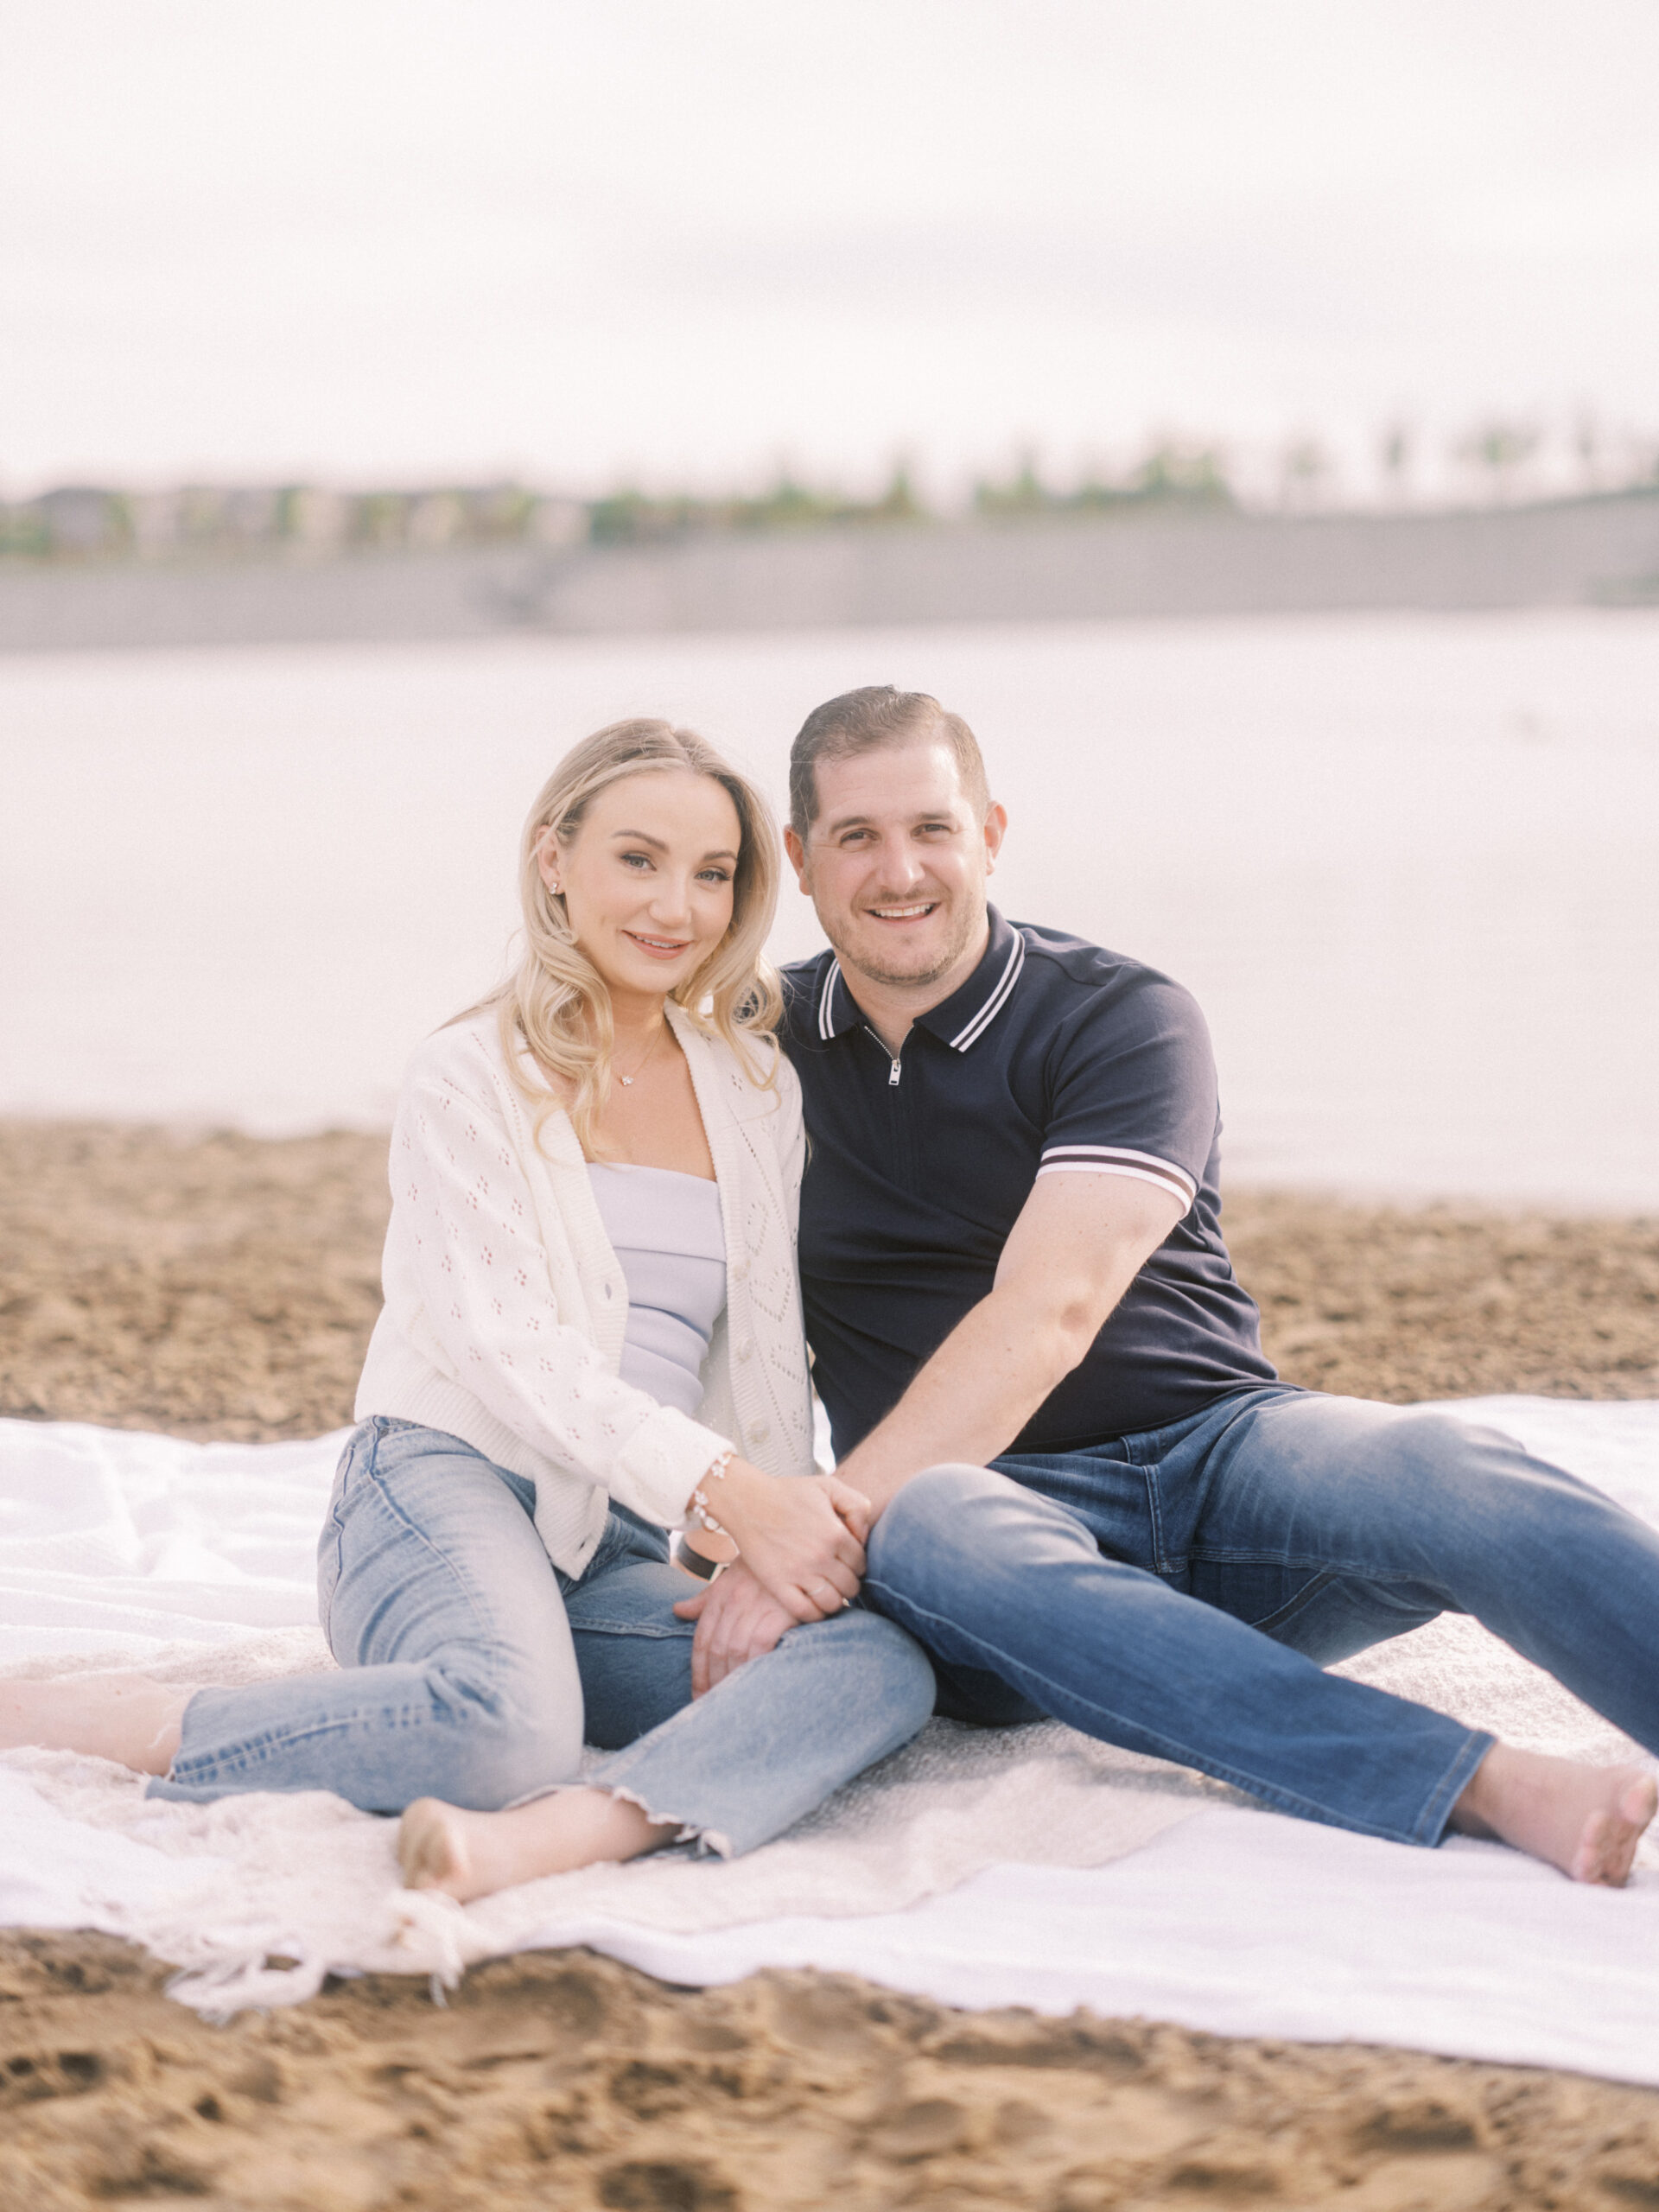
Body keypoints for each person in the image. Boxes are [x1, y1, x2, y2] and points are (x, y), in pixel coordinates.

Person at [680, 683, 1659, 1888]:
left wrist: (810, 1534)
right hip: (997, 1550)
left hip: (1228, 1460)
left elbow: (1056, 1308)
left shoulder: (1120, 1017)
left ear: (989, 832)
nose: (901, 871)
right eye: (858, 837)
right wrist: (743, 1518)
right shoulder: (746, 1050)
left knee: (1448, 1466)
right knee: (928, 1515)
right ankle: (1483, 1786)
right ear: (799, 857)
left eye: (932, 828)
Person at [1, 718, 935, 1902]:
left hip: (618, 1540)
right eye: (638, 859)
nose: (677, 907)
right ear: (556, 857)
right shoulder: (469, 1075)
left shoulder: (755, 1086)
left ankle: (579, 1828)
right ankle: (129, 1721)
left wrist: (754, 1543)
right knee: (503, 1734)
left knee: (874, 1665)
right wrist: (738, 1494)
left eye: (714, 874)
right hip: (440, 1485)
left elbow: (760, 1347)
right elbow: (516, 1356)